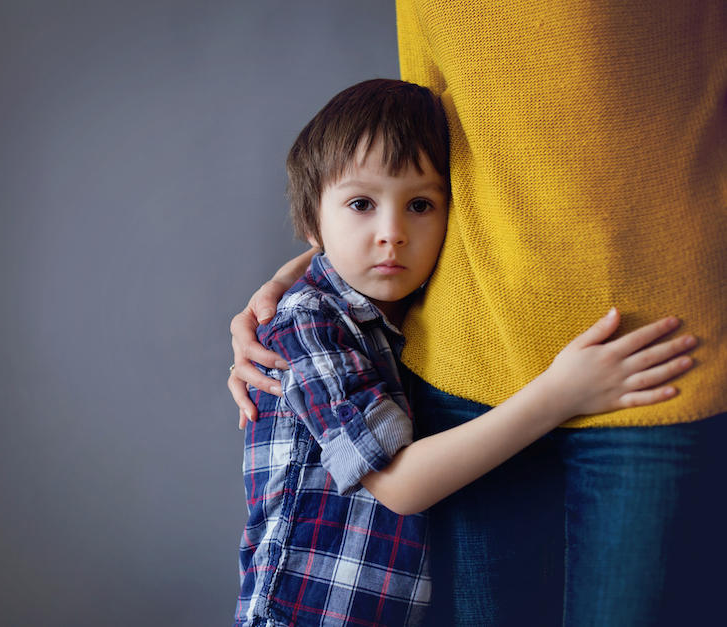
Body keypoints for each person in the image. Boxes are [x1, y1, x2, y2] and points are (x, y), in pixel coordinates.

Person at [231, 2, 726, 625]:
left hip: (657, 343)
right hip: (320, 602)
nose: (392, 235)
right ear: (313, 225)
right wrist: (287, 287)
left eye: (420, 206)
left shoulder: (380, 306)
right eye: (362, 205)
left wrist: (298, 272)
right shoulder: (314, 322)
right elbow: (401, 484)